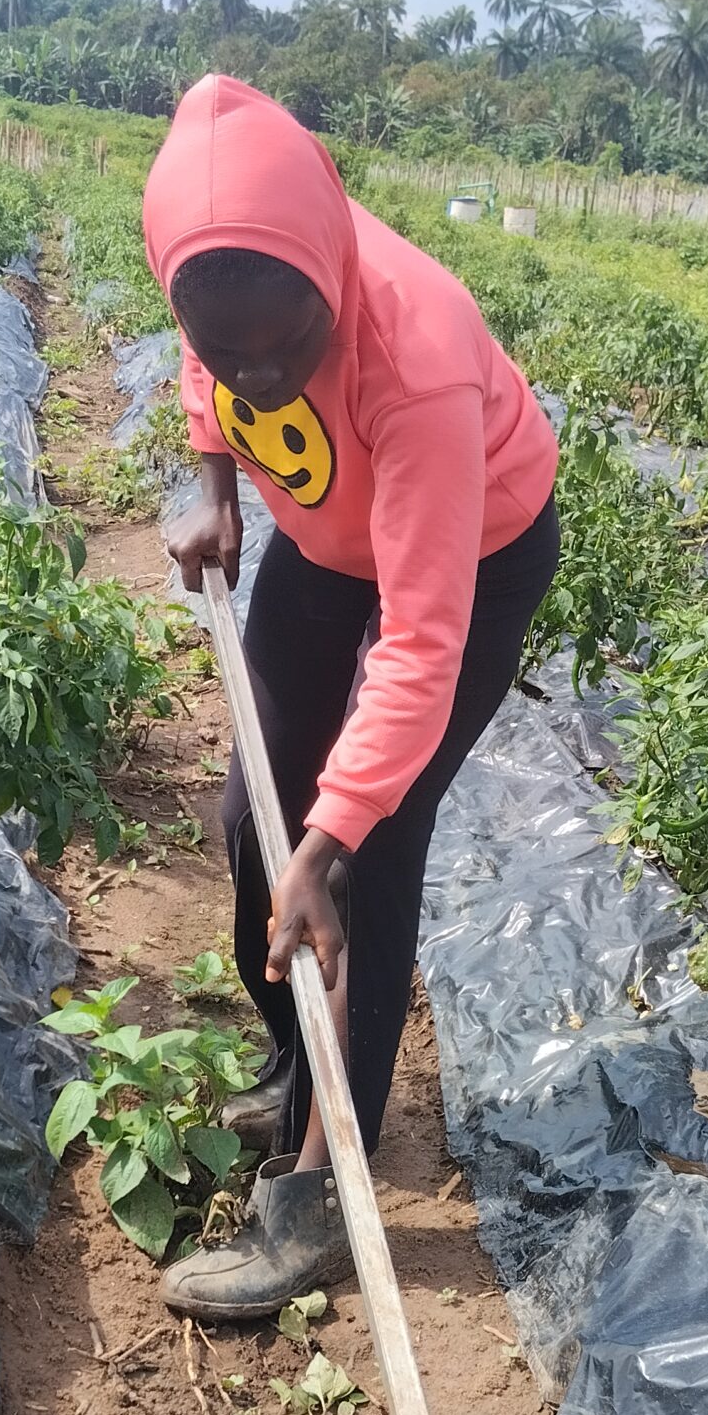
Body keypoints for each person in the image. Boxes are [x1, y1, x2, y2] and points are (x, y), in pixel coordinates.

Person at [140, 75, 560, 1323]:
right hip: (322, 543)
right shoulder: (226, 283)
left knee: (356, 868)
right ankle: (292, 1064)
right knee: (245, 814)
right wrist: (217, 484)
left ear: (330, 269)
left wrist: (333, 835)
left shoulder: (414, 355)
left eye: (289, 346)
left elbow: (422, 646)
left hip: (469, 556)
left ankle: (322, 1195)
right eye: (232, 353)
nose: (261, 376)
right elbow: (203, 362)